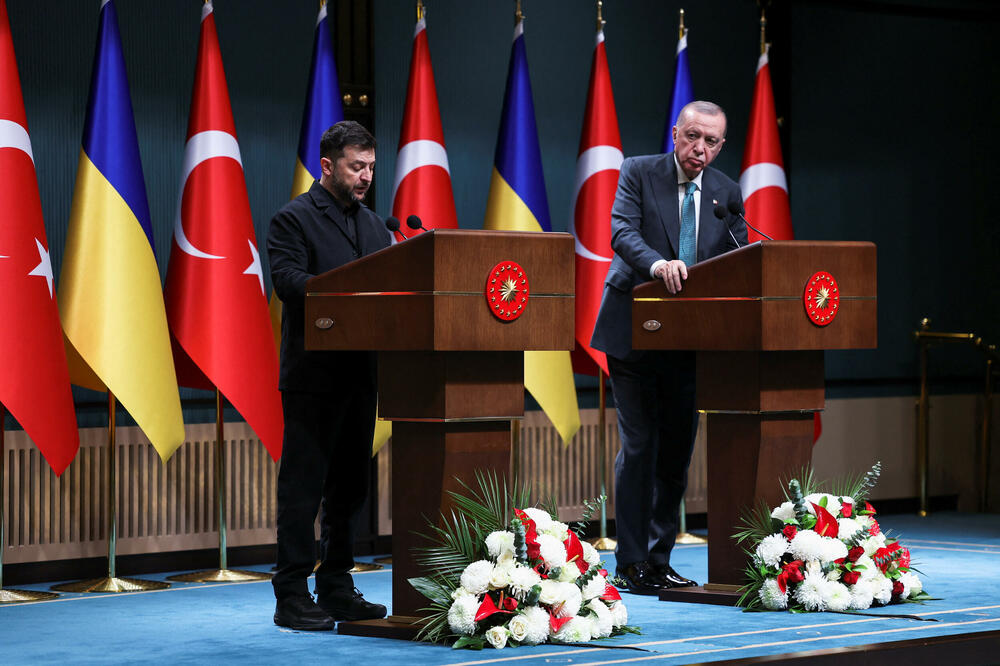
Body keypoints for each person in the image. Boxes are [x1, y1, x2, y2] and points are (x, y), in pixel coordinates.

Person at [590, 101, 748, 595]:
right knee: (639, 447)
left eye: (712, 142)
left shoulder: (726, 192)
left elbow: (739, 254)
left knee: (676, 454)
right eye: (692, 136)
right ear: (675, 132)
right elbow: (621, 231)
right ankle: (631, 562)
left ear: (722, 146)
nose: (699, 149)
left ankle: (659, 560)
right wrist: (658, 265)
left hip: (690, 341)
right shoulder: (639, 171)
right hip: (634, 332)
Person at [267, 120, 391, 630]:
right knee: (303, 488)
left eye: (370, 167)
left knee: (349, 489)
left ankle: (336, 583)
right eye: (355, 166)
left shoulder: (374, 225)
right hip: (313, 378)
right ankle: (291, 593)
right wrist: (346, 292)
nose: (364, 176)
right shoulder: (292, 219)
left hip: (361, 374)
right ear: (327, 166)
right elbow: (288, 281)